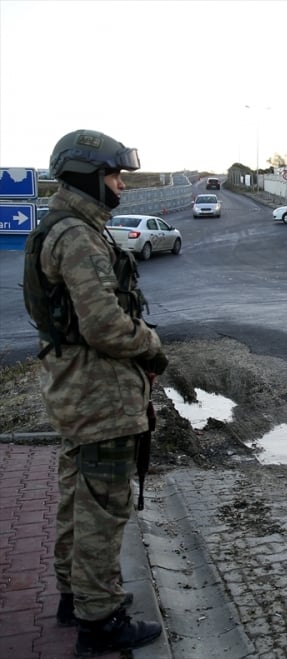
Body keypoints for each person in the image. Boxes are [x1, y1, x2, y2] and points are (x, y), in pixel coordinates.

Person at [22, 129, 167, 657]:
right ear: (87, 175)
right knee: (102, 511)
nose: (120, 186)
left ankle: (73, 594)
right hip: (98, 397)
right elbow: (105, 325)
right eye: (113, 175)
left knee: (76, 501)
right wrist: (152, 348)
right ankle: (100, 618)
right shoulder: (79, 236)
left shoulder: (66, 226)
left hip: (76, 390)